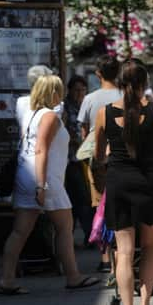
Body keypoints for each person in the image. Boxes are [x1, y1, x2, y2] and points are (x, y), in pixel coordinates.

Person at [94, 59, 153, 305]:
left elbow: (97, 155)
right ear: (145, 84)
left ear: (120, 83)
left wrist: (107, 159)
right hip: (150, 184)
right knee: (150, 247)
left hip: (119, 184)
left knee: (124, 252)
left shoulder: (104, 114)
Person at [0, 75, 99, 295]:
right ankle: (73, 276)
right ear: (52, 92)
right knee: (64, 226)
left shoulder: (32, 114)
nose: (61, 95)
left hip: (27, 174)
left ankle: (6, 279)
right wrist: (41, 186)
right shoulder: (50, 116)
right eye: (58, 90)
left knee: (20, 230)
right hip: (45, 178)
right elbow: (41, 149)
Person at [77, 54, 121, 272]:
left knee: (99, 207)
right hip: (121, 158)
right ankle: (121, 253)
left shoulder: (90, 99)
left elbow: (84, 132)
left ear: (98, 73)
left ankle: (105, 259)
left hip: (98, 158)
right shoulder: (125, 96)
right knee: (120, 205)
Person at [62, 76, 93, 245]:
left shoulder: (86, 105)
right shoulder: (65, 108)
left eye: (82, 90)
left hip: (85, 159)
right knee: (77, 199)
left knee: (83, 199)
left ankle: (87, 235)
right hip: (70, 160)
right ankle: (75, 235)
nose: (80, 93)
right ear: (70, 90)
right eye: (76, 90)